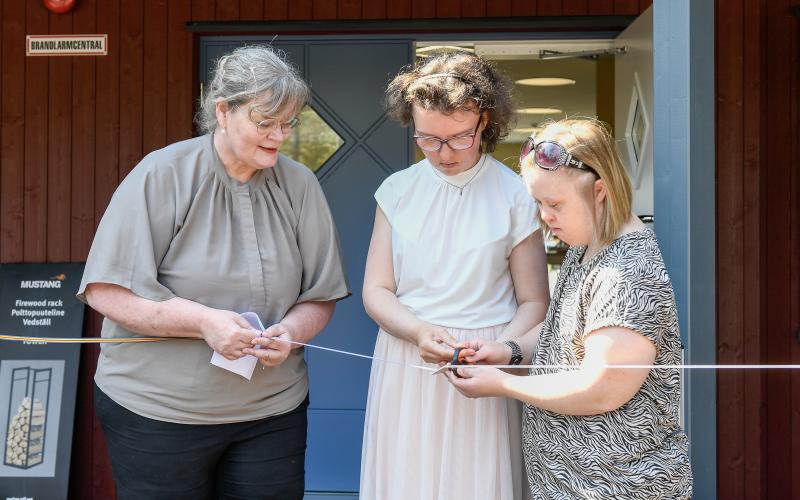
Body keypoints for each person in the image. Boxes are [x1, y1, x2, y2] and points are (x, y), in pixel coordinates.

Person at [77, 45, 350, 500]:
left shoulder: (300, 185)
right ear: (223, 111)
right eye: (265, 123)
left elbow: (320, 295)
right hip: (157, 412)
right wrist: (204, 321)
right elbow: (107, 291)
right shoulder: (162, 173)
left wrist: (291, 330)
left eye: (288, 123)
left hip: (271, 411)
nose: (279, 137)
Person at [446, 119, 693, 499]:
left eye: (555, 204)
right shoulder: (584, 249)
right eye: (539, 203)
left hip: (617, 487)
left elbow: (600, 388)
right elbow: (560, 334)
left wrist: (504, 384)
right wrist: (508, 351)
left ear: (599, 191)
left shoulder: (627, 273)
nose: (544, 216)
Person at [359, 52, 551, 500]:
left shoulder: (515, 195)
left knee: (478, 483)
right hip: (409, 356)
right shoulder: (397, 191)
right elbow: (377, 290)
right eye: (428, 139)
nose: (443, 153)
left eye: (458, 138)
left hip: (487, 363)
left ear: (484, 122)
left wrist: (503, 350)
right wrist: (419, 330)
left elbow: (535, 303)